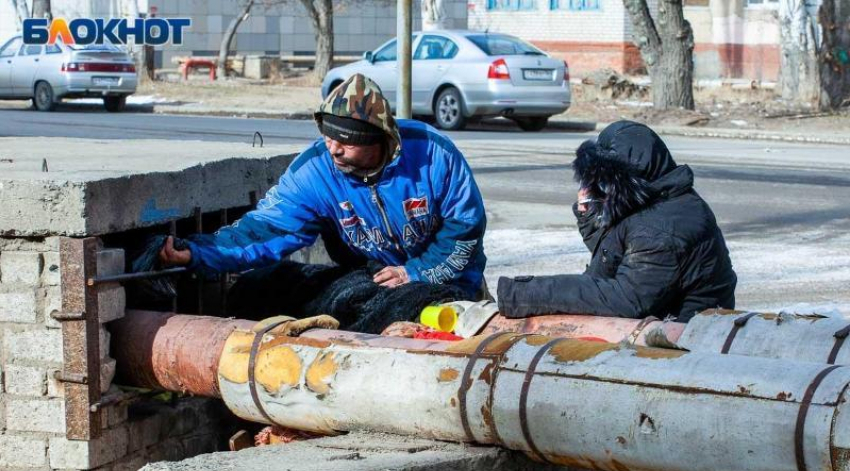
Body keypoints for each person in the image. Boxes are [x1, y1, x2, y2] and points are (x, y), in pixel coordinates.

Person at [158, 74, 488, 321]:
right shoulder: (315, 172)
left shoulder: (434, 155)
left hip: (451, 282)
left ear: (378, 139)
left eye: (345, 140)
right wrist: (198, 253)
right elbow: (267, 229)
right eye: (327, 137)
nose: (333, 148)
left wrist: (414, 273)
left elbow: (464, 231)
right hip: (376, 283)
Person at [497, 120, 736, 323]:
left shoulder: (660, 229)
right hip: (666, 323)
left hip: (687, 340)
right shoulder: (654, 199)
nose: (595, 189)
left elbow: (626, 300)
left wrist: (525, 294)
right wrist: (589, 214)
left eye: (603, 181)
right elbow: (619, 254)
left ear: (627, 179)